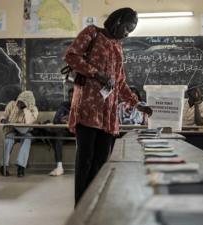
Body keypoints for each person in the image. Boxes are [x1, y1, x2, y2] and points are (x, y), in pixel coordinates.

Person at [64, 7, 153, 205]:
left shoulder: (118, 46)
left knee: (101, 161)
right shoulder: (92, 33)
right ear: (118, 21)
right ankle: (81, 206)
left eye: (131, 31)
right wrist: (97, 73)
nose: (127, 34)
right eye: (127, 28)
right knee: (85, 161)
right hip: (88, 108)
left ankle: (95, 203)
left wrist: (138, 104)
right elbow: (71, 56)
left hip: (108, 114)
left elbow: (120, 82)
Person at [0, 90, 39, 177]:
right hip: (12, 130)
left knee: (27, 139)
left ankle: (21, 167)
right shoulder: (12, 104)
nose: (19, 104)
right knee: (8, 140)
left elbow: (29, 121)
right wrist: (4, 120)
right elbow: (4, 115)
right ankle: (4, 166)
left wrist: (26, 109)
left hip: (25, 132)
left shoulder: (33, 109)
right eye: (19, 101)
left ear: (27, 103)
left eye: (22, 102)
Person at [48, 88, 74, 176]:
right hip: (66, 132)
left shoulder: (82, 106)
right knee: (58, 137)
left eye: (73, 96)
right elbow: (55, 120)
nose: (72, 98)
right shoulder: (64, 105)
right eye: (70, 97)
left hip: (78, 133)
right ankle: (59, 166)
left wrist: (71, 118)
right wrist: (61, 119)